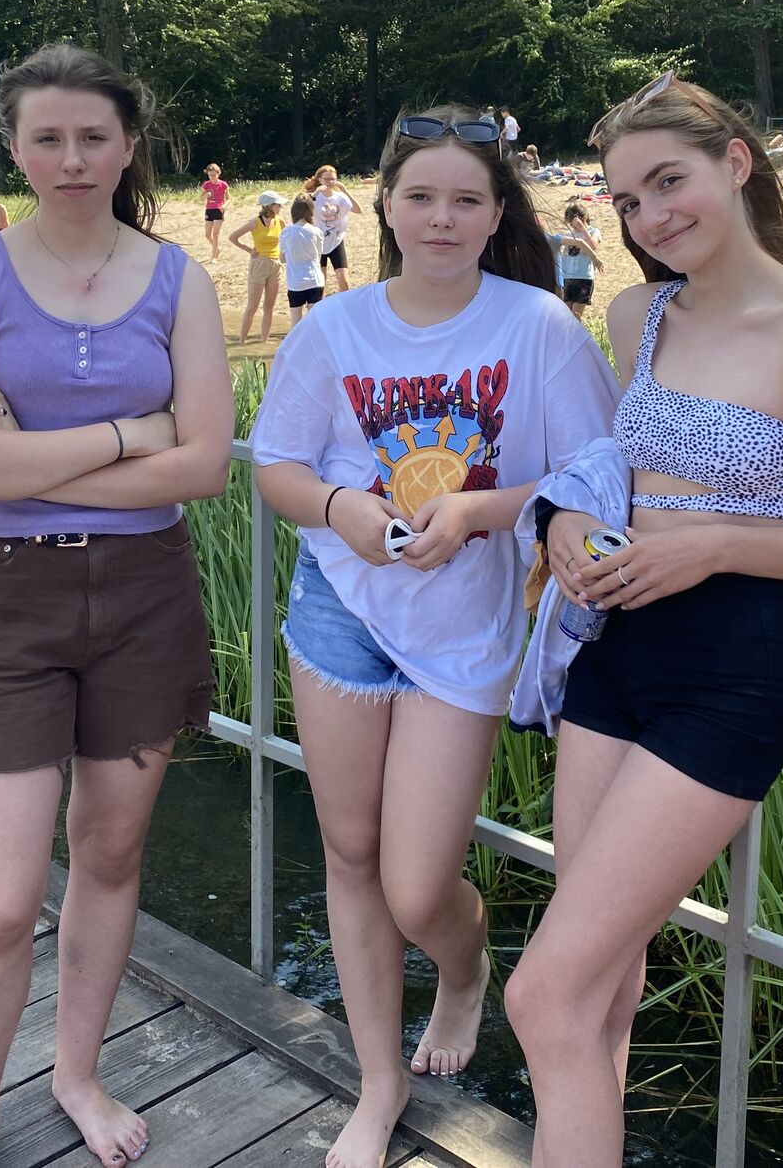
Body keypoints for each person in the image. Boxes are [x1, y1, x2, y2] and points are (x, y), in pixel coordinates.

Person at [505, 73, 783, 1168]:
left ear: (734, 163)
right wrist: (567, 517)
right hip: (612, 647)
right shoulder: (636, 315)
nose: (649, 216)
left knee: (541, 995)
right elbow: (620, 464)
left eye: (667, 182)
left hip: (731, 669)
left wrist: (718, 544)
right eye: (626, 200)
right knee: (598, 981)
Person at [249, 105, 618, 1168]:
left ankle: (463, 965)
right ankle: (377, 1083)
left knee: (416, 886)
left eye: (465, 200)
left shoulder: (538, 327)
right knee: (349, 854)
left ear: (498, 214)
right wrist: (342, 511)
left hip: (463, 629)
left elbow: (591, 475)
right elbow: (277, 466)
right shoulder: (332, 331)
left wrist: (480, 511)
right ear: (384, 206)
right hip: (340, 613)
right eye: (420, 197)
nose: (441, 218)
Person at [0, 41, 233, 1168]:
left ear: (127, 144)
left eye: (93, 137)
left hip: (145, 595)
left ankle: (77, 1073)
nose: (71, 158)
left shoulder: (178, 279)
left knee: (106, 855)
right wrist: (125, 434)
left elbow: (204, 466)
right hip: (7, 598)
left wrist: (33, 459)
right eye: (46, 138)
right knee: (2, 899)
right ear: (14, 147)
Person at [229, 191, 285, 343]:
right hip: (259, 263)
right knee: (252, 306)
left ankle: (264, 340)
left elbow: (285, 240)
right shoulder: (255, 222)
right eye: (278, 204)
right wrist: (249, 250)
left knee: (269, 306)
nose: (281, 207)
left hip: (275, 265)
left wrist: (283, 256)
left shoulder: (280, 221)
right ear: (270, 206)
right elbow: (233, 237)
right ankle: (241, 341)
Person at [306, 163, 365, 293]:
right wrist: (315, 194)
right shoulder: (315, 197)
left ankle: (343, 303)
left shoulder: (340, 197)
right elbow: (303, 211)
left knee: (344, 281)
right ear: (320, 180)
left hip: (336, 241)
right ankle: (320, 304)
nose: (330, 182)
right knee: (320, 283)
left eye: (333, 179)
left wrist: (345, 191)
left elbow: (358, 210)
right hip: (318, 243)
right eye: (327, 179)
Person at [282, 191, 326, 324]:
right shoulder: (316, 231)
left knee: (296, 322)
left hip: (295, 282)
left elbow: (282, 258)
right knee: (314, 321)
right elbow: (318, 254)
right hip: (314, 280)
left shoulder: (287, 232)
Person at [558, 202, 605, 317]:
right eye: (570, 223)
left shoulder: (593, 231)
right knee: (566, 314)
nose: (572, 226)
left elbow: (593, 246)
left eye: (573, 222)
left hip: (583, 277)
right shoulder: (568, 233)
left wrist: (583, 229)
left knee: (576, 315)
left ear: (583, 218)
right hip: (567, 277)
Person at [199, 162, 228, 259]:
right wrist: (205, 195)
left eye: (214, 175)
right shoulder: (206, 184)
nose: (212, 177)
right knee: (207, 235)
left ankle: (214, 257)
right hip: (209, 209)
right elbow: (201, 198)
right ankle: (217, 249)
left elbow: (229, 198)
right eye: (210, 175)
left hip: (218, 209)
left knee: (215, 234)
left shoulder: (223, 184)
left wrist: (224, 205)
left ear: (218, 174)